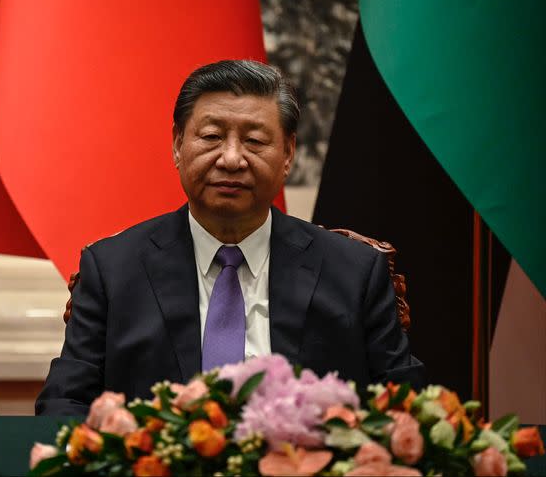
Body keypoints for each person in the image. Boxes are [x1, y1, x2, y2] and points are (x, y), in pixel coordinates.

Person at [36, 60, 424, 416]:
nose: (232, 159)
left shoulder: (353, 271)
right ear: (177, 145)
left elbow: (405, 406)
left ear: (287, 153)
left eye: (254, 141)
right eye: (211, 136)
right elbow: (64, 402)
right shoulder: (113, 270)